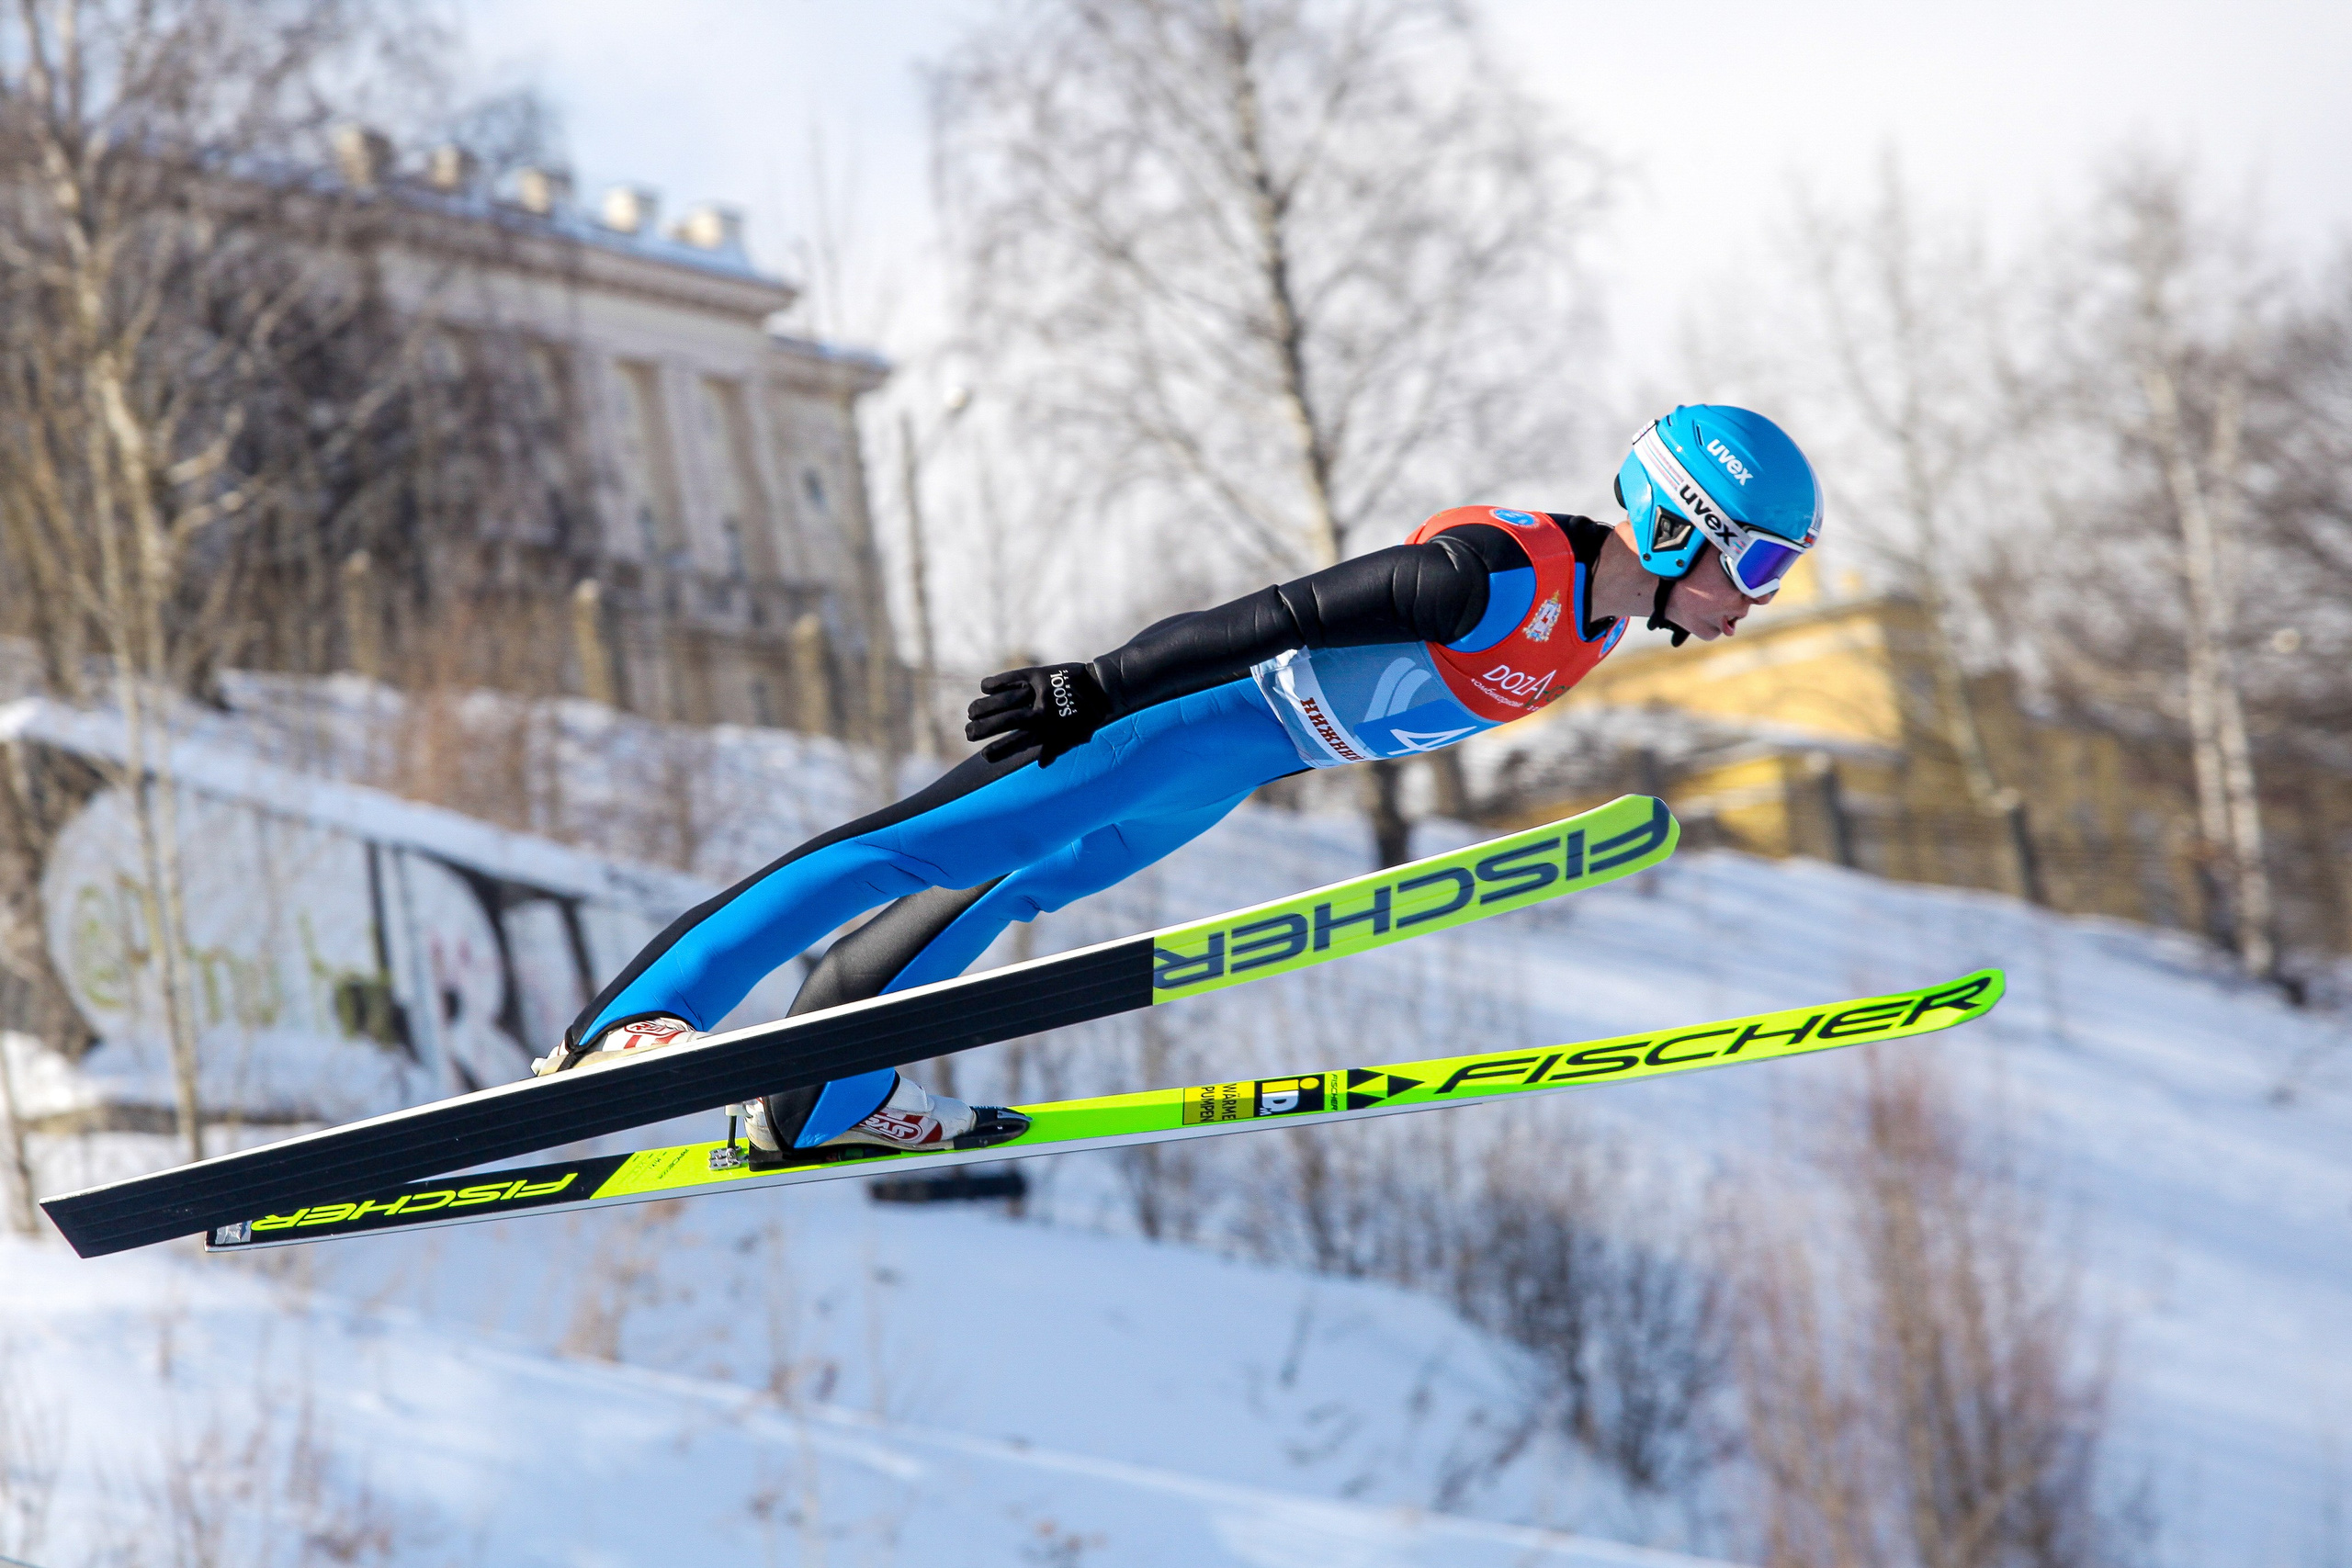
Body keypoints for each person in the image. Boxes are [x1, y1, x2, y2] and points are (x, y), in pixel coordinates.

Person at [534, 404, 1823, 1163]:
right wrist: (1094, 686)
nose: (1752, 604)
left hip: (1234, 769)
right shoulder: (1495, 572)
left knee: (1008, 890)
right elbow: (1270, 613)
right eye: (1754, 569)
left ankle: (824, 1096)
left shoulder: (1597, 624)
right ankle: (628, 1025)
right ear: (1677, 523)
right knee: (914, 848)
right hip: (1180, 718)